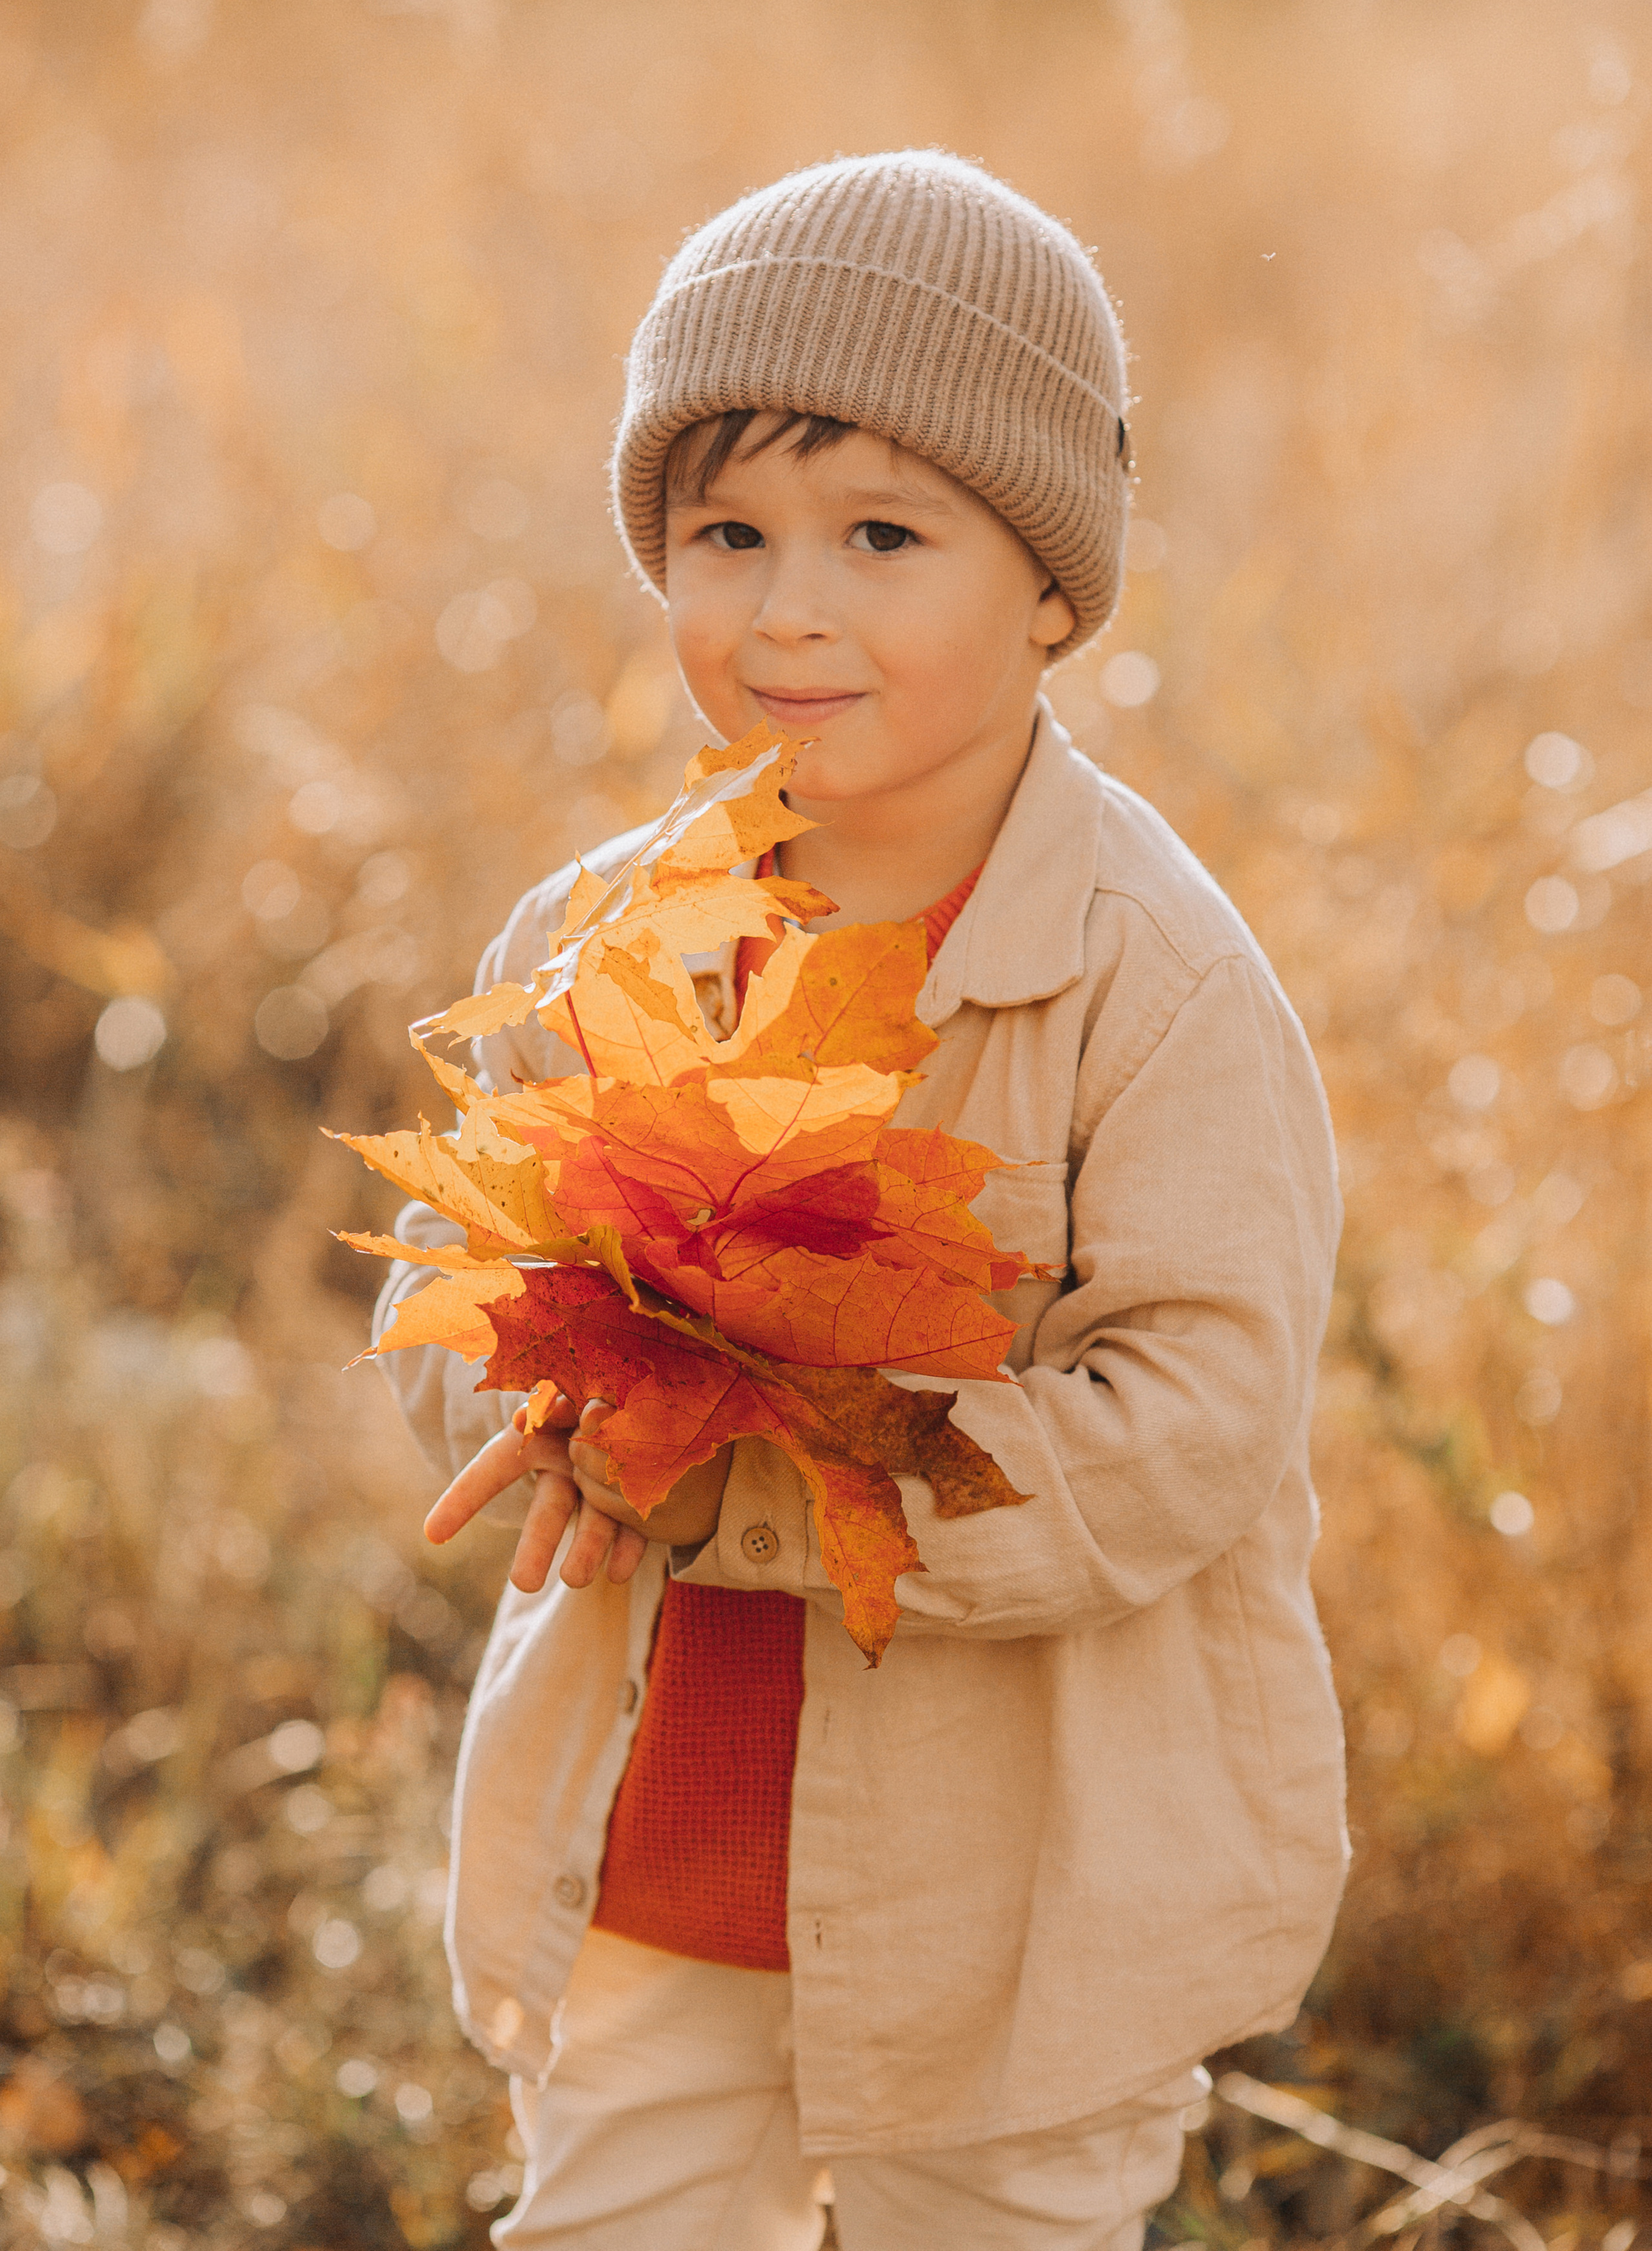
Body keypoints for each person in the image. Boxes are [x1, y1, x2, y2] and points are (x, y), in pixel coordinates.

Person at [375, 150, 1347, 2251]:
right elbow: (461, 1281)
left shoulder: (1151, 988)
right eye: (726, 534)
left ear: (1055, 589)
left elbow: (1197, 1410)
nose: (787, 606)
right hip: (660, 1847)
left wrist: (794, 1475)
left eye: (880, 535)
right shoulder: (602, 941)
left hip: (1020, 1887)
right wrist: (536, 1399)